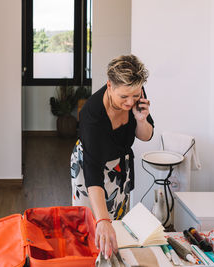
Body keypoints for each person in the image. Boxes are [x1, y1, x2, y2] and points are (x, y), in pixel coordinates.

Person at [70, 54, 154, 259]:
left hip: (119, 167)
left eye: (135, 95)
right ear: (109, 85)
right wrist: (102, 221)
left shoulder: (135, 93)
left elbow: (146, 135)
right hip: (89, 168)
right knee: (91, 227)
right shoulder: (92, 115)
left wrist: (141, 119)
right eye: (124, 97)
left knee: (117, 227)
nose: (130, 102)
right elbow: (93, 172)